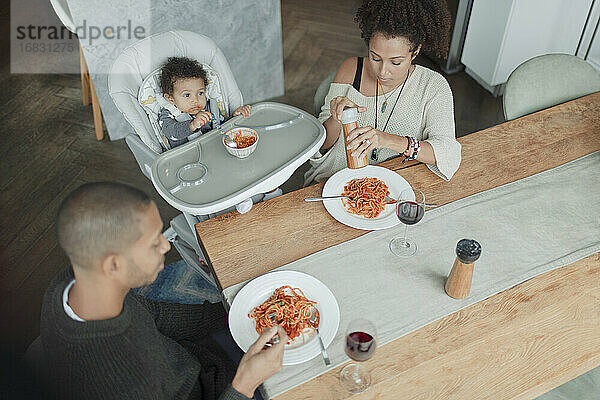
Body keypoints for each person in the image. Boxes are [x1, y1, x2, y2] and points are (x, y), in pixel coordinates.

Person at [39, 182, 287, 399]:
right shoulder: (124, 383)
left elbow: (152, 314)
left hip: (187, 366)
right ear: (113, 264)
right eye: (153, 242)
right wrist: (245, 384)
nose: (166, 245)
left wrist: (237, 312)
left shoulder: (74, 283)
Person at [305, 0, 461, 185]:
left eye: (396, 62)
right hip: (332, 183)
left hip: (391, 188)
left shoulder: (432, 86)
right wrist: (335, 118)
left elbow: (448, 153)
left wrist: (388, 140)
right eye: (375, 58)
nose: (382, 71)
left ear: (416, 51)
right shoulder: (351, 70)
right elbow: (320, 146)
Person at [159, 57, 252, 149]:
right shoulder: (168, 113)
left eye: (200, 93)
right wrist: (192, 125)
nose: (195, 100)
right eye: (187, 95)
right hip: (187, 157)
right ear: (171, 99)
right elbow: (171, 133)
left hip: (214, 148)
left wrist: (235, 117)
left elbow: (221, 127)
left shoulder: (210, 107)